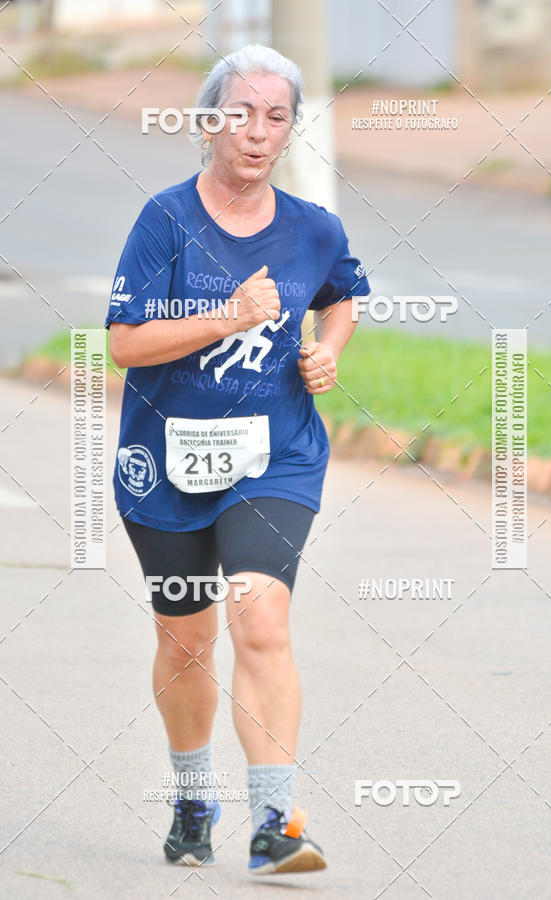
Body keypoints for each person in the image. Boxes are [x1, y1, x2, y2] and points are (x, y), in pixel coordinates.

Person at [105, 44, 371, 875]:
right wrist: (225, 318)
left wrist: (327, 351)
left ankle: (275, 825)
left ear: (290, 130)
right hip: (166, 459)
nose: (257, 133)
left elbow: (343, 297)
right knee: (186, 644)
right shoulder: (164, 220)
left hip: (275, 456)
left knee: (259, 615)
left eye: (276, 117)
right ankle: (192, 794)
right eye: (240, 114)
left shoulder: (314, 228)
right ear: (209, 121)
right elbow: (124, 343)